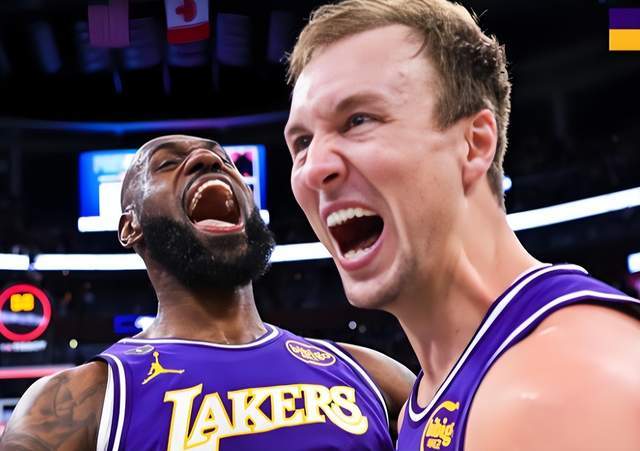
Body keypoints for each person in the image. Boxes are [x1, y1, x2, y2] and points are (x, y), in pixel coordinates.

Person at [283, 1, 640, 450]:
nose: (314, 168)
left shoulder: (562, 390)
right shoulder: (439, 390)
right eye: (302, 142)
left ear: (474, 144)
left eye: (357, 121)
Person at [0, 135, 414, 450]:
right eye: (167, 164)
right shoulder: (79, 403)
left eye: (225, 161)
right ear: (130, 227)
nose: (208, 160)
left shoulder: (371, 373)